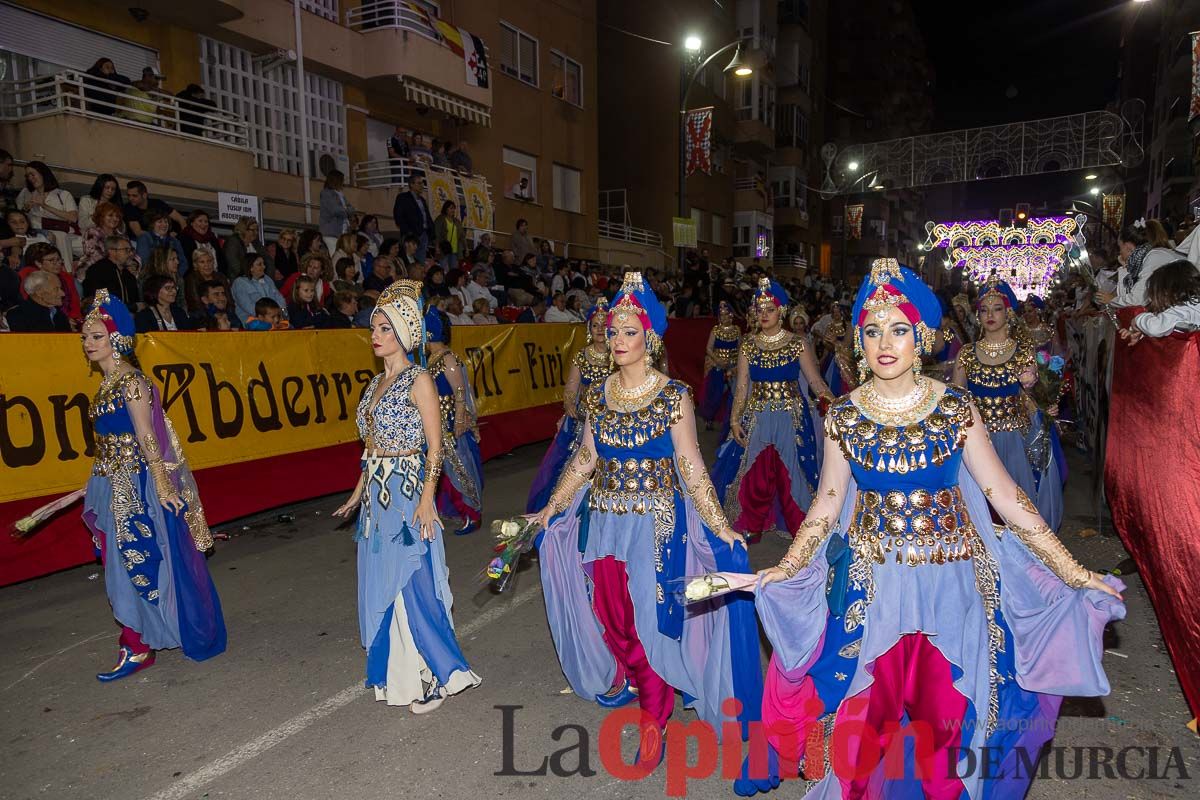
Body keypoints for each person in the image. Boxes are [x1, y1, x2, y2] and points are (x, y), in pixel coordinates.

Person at [754, 259, 1124, 798]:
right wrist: (787, 567)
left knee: (945, 732)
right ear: (859, 339)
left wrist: (1071, 568)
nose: (885, 342)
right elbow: (828, 503)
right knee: (860, 733)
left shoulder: (954, 408)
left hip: (952, 590)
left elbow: (1004, 495)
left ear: (921, 336)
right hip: (870, 591)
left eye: (899, 329)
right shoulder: (845, 416)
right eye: (873, 330)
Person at [527, 272, 771, 787]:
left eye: (628, 332)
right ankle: (644, 681)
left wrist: (720, 525)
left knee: (648, 618)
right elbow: (585, 459)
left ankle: (654, 718)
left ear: (650, 339)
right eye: (613, 332)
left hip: (658, 527)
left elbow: (692, 466)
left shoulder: (673, 396)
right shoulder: (599, 395)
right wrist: (551, 508)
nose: (617, 340)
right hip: (607, 523)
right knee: (613, 615)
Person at [331, 279, 481, 711]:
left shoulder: (420, 380)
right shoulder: (372, 386)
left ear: (404, 333)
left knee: (413, 581)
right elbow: (370, 447)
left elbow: (435, 446)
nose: (375, 336)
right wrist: (359, 491)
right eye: (373, 329)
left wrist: (427, 497)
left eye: (384, 329)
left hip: (409, 488)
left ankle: (435, 673)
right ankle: (400, 673)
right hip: (377, 498)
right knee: (384, 584)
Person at [75, 290, 225, 680]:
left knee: (135, 560)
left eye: (96, 336)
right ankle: (137, 640)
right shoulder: (106, 385)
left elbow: (147, 437)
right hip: (109, 482)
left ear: (117, 339)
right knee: (116, 561)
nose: (89, 343)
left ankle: (138, 645)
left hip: (134, 486)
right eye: (86, 337)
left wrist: (163, 485)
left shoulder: (132, 383)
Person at [711, 278, 834, 541]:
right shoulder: (748, 344)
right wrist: (734, 421)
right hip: (757, 415)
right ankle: (751, 523)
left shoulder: (797, 343)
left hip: (791, 416)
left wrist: (831, 401)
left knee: (794, 471)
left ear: (782, 311)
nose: (764, 314)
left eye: (770, 309)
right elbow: (742, 387)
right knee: (756, 472)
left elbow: (814, 381)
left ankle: (800, 526)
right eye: (760, 309)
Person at [953, 279, 1065, 531]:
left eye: (997, 308)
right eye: (984, 309)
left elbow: (1034, 397)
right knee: (980, 510)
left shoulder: (1023, 350)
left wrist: (1044, 403)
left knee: (1016, 508)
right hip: (978, 440)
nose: (990, 315)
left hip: (1015, 438)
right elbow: (957, 400)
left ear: (1009, 312)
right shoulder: (967, 354)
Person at [525, 298, 611, 512]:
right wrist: (569, 404)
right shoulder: (582, 356)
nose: (600, 329)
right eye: (595, 325)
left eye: (605, 325)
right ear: (589, 329)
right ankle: (563, 513)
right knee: (570, 468)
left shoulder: (618, 355)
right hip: (583, 422)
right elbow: (571, 387)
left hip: (611, 422)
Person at [424, 309, 484, 535]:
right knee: (442, 468)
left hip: (450, 423)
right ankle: (453, 510)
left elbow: (460, 391)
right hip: (436, 423)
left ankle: (472, 513)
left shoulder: (448, 359)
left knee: (460, 468)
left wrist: (460, 419)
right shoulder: (432, 359)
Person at [1098, 219, 1177, 309]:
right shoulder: (1151, 256)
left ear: (1128, 247)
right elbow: (1127, 294)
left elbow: (1137, 300)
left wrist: (1112, 300)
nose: (1120, 253)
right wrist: (1126, 267)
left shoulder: (1155, 257)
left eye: (1120, 248)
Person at [1120, 259, 1200, 341]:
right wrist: (1143, 332)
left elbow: (1155, 327)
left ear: (1166, 292)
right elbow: (1175, 328)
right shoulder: (1193, 304)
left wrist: (1138, 320)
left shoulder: (1181, 309)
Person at [18, 161, 78, 263]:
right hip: (38, 232)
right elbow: (18, 216)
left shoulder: (63, 194)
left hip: (64, 231)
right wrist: (26, 208)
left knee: (63, 237)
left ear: (43, 174)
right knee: (60, 237)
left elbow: (73, 218)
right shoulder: (26, 193)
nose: (30, 178)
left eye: (33, 174)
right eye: (28, 176)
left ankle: (67, 272)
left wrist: (44, 206)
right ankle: (66, 272)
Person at [698, 300, 741, 430]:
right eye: (721, 315)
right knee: (715, 393)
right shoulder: (716, 330)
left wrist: (735, 365)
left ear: (731, 315)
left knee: (733, 393)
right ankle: (709, 418)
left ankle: (731, 420)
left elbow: (740, 349)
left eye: (726, 314)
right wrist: (718, 361)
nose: (724, 317)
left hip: (733, 367)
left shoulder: (736, 330)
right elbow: (708, 348)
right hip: (718, 366)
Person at [19, 242, 82, 324]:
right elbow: (31, 305)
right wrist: (64, 320)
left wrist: (75, 320)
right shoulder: (28, 276)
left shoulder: (66, 277)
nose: (58, 263)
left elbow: (75, 305)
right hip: (39, 320)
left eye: (59, 259)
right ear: (38, 263)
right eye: (51, 260)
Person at [83, 236, 141, 309]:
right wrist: (131, 307)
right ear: (112, 251)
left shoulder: (129, 276)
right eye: (126, 250)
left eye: (131, 250)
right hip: (106, 317)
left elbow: (135, 300)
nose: (130, 254)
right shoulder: (98, 271)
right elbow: (99, 301)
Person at [232, 254, 287, 324]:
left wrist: (284, 317)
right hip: (253, 321)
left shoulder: (267, 279)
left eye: (263, 264)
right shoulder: (240, 283)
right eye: (259, 264)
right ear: (250, 267)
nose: (264, 267)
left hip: (275, 319)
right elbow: (248, 307)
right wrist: (269, 317)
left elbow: (280, 299)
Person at [393, 174, 434, 263]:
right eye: (419, 183)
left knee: (420, 261)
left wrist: (430, 232)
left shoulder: (422, 200)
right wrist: (408, 232)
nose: (422, 185)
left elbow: (427, 216)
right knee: (409, 259)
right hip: (411, 234)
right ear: (411, 184)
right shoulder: (403, 197)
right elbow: (398, 216)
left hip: (423, 234)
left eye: (422, 183)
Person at [180, 210, 228, 276]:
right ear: (191, 223)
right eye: (200, 221)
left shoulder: (213, 239)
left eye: (206, 222)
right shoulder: (184, 239)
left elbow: (221, 261)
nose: (204, 224)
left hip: (215, 278)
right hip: (195, 279)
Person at [223, 216, 270, 281]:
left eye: (257, 230)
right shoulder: (233, 242)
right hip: (238, 281)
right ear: (243, 230)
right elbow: (234, 265)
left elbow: (267, 260)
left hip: (256, 280)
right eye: (253, 230)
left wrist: (266, 278)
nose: (256, 233)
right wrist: (249, 279)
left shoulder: (256, 243)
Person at [77, 174, 123, 239]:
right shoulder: (86, 200)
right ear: (100, 186)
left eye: (113, 189)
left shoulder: (115, 204)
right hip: (90, 237)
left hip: (111, 237)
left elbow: (122, 227)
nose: (110, 191)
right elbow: (82, 224)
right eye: (107, 187)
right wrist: (99, 216)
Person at [319, 170, 355, 252]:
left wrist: (347, 210)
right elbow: (336, 210)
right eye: (342, 180)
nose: (343, 182)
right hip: (331, 233)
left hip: (342, 232)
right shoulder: (326, 193)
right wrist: (347, 210)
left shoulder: (340, 194)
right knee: (335, 254)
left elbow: (351, 209)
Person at [432, 201, 464, 270]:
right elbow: (436, 233)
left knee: (454, 270)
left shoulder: (456, 221)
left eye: (454, 208)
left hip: (454, 250)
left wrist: (465, 247)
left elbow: (461, 235)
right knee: (442, 268)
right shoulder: (440, 219)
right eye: (451, 208)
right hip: (444, 249)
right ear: (446, 209)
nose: (453, 210)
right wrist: (437, 246)